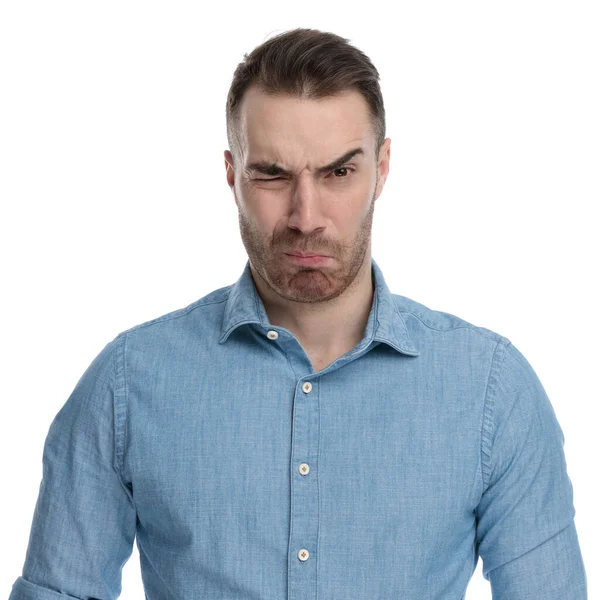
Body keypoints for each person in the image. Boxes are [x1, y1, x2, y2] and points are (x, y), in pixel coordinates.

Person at [9, 27, 587, 600]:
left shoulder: (491, 390)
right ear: (233, 173)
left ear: (382, 169)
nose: (306, 215)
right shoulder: (128, 383)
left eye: (338, 172)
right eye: (273, 174)